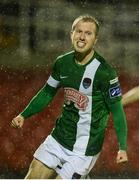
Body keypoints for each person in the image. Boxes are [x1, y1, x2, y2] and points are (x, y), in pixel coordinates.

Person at [11, 15, 128, 179]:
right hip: (58, 139)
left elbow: (117, 111)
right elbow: (47, 92)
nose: (82, 36)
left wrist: (122, 147)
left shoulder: (105, 72)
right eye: (78, 31)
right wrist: (24, 114)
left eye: (88, 33)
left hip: (84, 148)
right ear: (71, 34)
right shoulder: (62, 63)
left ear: (95, 40)